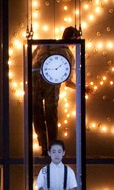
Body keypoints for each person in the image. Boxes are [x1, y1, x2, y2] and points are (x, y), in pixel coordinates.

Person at [31, 27, 79, 156]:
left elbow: (31, 60)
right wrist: (81, 88)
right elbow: (68, 82)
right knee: (48, 115)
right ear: (74, 38)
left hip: (38, 82)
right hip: (48, 84)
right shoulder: (68, 55)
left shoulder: (44, 45)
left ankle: (46, 147)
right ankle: (49, 147)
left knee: (40, 114)